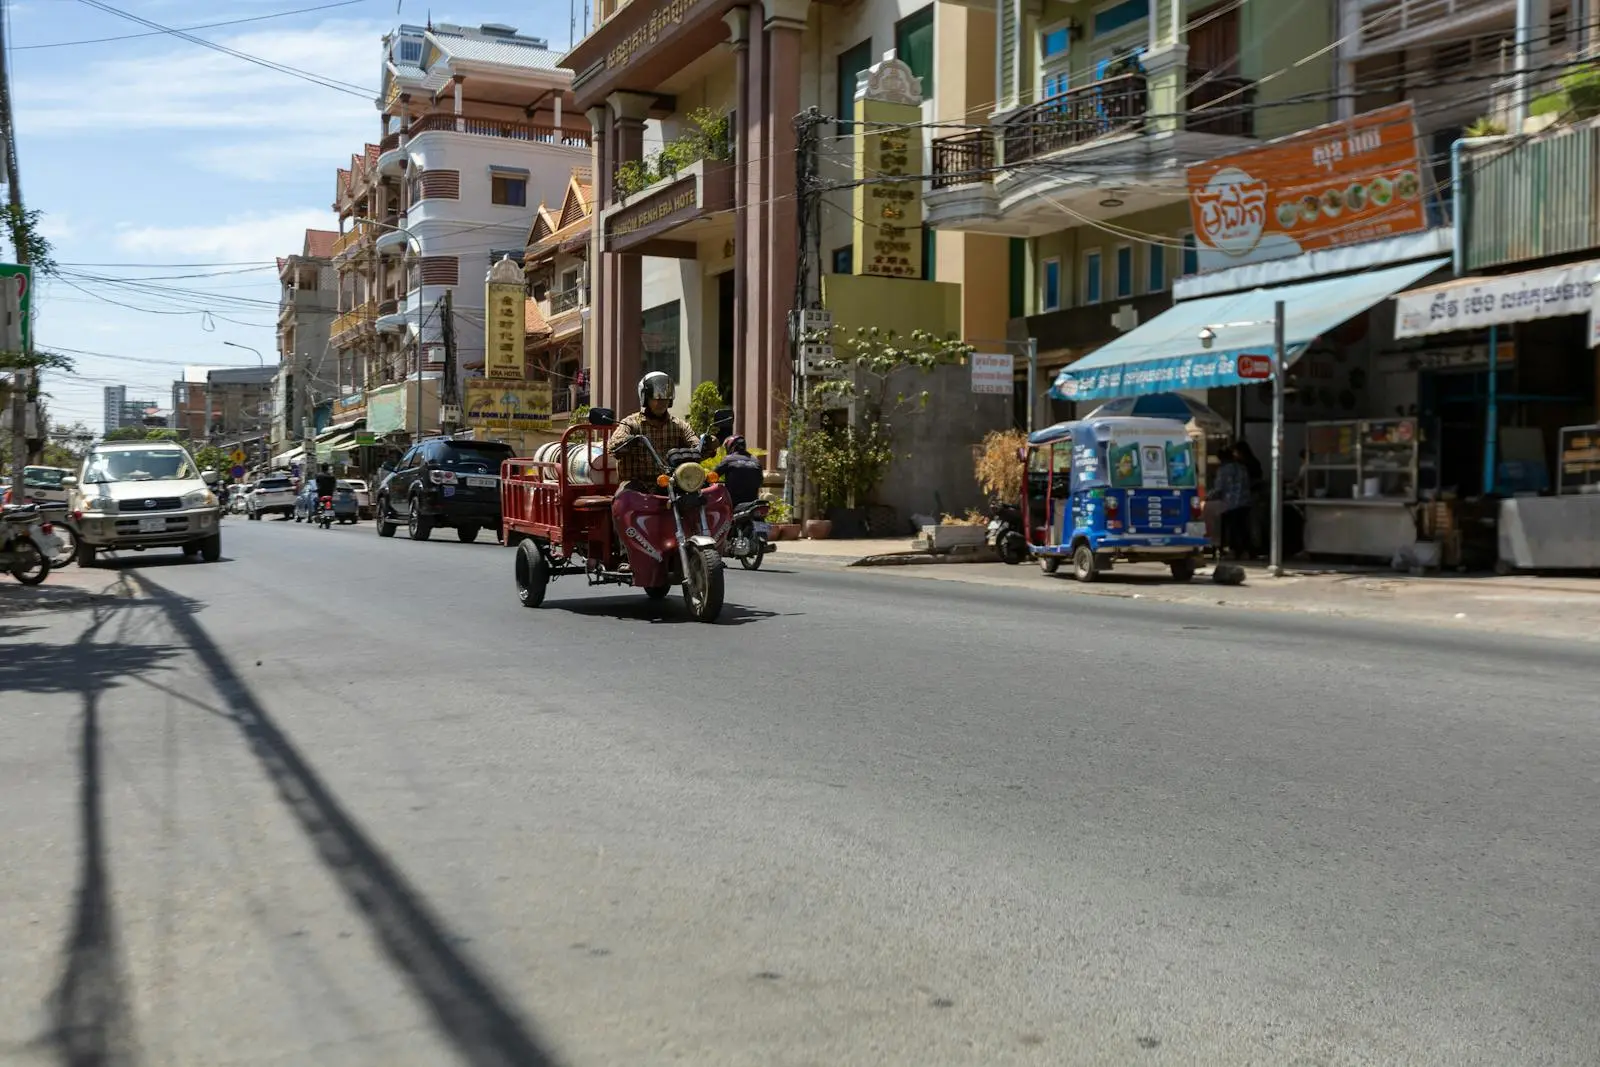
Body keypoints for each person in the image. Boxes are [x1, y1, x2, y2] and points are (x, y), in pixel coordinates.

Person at [607, 371, 710, 493]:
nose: (660, 403)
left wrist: (708, 444)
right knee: (624, 498)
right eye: (655, 398)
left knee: (702, 496)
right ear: (645, 398)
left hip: (670, 483)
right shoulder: (630, 423)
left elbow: (695, 444)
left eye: (665, 398)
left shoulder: (679, 425)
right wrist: (626, 442)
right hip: (637, 484)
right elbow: (613, 445)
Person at [1213, 444, 1254, 561]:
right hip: (1245, 501)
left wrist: (1208, 497)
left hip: (1230, 503)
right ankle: (1246, 551)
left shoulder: (1223, 470)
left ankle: (1233, 550)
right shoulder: (1242, 468)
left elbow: (1219, 488)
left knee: (1232, 529)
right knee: (1243, 527)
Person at [715, 435, 764, 508]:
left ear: (730, 446)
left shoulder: (729, 459)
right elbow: (760, 481)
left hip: (733, 503)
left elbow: (713, 475)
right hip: (752, 502)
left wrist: (705, 481)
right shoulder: (755, 460)